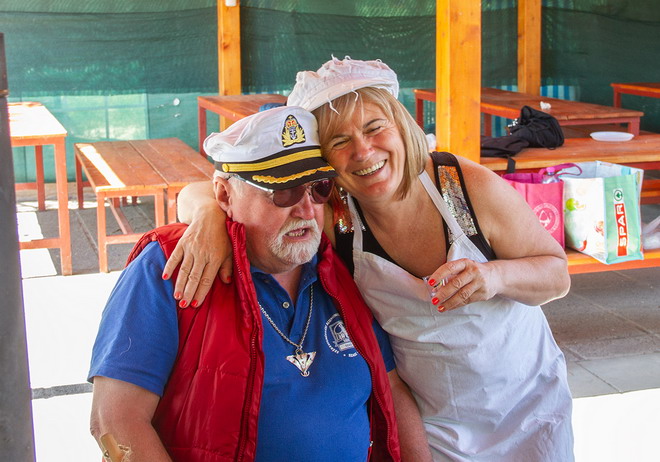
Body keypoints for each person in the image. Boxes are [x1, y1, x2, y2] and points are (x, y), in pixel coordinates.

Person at [165, 57, 575, 461]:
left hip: (528, 410)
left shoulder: (463, 187)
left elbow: (557, 275)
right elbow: (202, 190)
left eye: (375, 128)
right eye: (339, 141)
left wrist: (494, 277)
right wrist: (209, 215)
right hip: (433, 426)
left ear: (402, 125)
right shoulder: (335, 214)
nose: (363, 151)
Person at [88, 105, 432, 462]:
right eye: (283, 191)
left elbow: (391, 386)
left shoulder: (339, 264)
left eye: (318, 188)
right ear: (225, 196)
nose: (306, 209)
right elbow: (114, 421)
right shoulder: (171, 265)